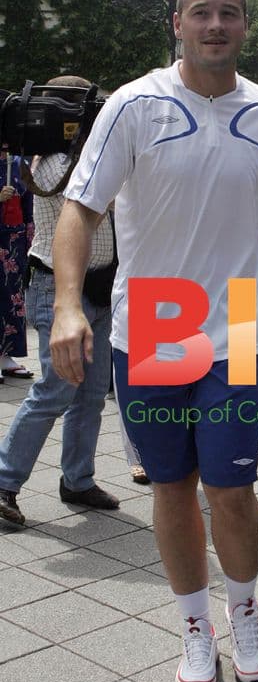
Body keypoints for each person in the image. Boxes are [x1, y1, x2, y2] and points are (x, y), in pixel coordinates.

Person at [48, 0, 258, 682]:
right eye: (202, 12)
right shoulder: (134, 105)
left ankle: (246, 611)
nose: (216, 24)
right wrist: (68, 305)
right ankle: (195, 625)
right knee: (172, 484)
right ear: (178, 23)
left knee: (231, 486)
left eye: (230, 12)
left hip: (235, 325)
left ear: (246, 27)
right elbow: (80, 209)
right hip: (157, 328)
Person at [0, 76, 119, 528]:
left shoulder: (86, 158)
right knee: (54, 391)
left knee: (90, 395)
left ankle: (78, 479)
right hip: (58, 288)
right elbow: (96, 200)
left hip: (101, 287)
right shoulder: (54, 163)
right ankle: (4, 481)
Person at [0, 148, 34, 382]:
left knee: (13, 298)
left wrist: (30, 241)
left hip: (14, 239)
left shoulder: (20, 163)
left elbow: (29, 204)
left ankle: (7, 356)